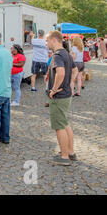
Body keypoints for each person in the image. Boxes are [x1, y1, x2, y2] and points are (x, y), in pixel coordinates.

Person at [46, 30, 78, 166]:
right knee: (65, 123)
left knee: (59, 126)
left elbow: (60, 72)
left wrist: (53, 89)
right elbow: (75, 70)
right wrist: (69, 84)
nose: (46, 44)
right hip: (66, 94)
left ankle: (64, 157)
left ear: (54, 40)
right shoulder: (67, 53)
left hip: (59, 96)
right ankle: (70, 152)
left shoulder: (57, 55)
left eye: (47, 41)